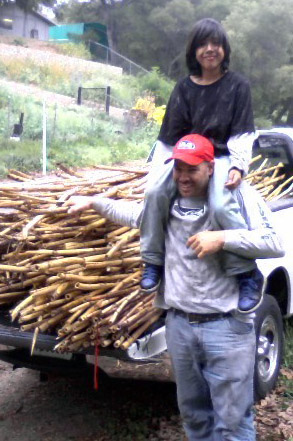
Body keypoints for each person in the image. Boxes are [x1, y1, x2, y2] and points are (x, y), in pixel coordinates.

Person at [66, 133, 284, 441]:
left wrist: (223, 238)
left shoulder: (236, 194)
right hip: (180, 325)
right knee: (194, 416)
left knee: (233, 422)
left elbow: (274, 243)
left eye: (191, 169)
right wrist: (93, 202)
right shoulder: (167, 199)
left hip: (227, 327)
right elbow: (135, 215)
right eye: (178, 167)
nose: (183, 176)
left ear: (210, 167)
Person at [140, 17, 262, 313]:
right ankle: (153, 261)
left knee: (221, 206)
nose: (210, 49)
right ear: (193, 51)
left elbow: (242, 132)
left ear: (224, 49)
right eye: (203, 44)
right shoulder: (183, 88)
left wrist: (239, 166)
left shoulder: (237, 86)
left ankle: (246, 273)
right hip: (186, 157)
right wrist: (157, 174)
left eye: (216, 43)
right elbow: (169, 136)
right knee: (154, 194)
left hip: (218, 158)